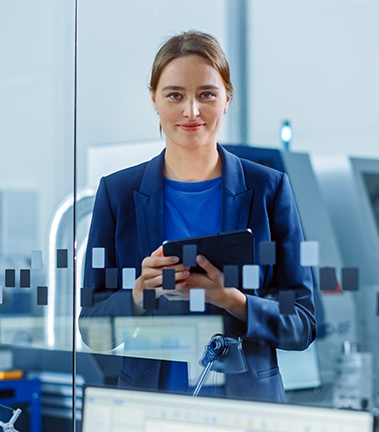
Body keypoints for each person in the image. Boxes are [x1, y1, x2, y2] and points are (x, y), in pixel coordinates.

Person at [79, 30, 315, 403]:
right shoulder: (118, 195)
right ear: (154, 100)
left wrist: (232, 300)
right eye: (175, 95)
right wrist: (138, 294)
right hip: (150, 410)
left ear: (226, 100)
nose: (191, 111)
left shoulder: (268, 190)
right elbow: (92, 329)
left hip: (245, 411)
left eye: (206, 94)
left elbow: (302, 323)